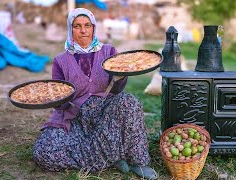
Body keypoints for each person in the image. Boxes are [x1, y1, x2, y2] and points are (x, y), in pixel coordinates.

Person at [32, 8, 158, 180]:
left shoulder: (108, 52)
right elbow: (60, 97)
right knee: (44, 152)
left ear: (93, 28)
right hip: (77, 117)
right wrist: (53, 99)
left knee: (129, 102)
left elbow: (116, 90)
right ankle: (112, 155)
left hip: (106, 112)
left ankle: (138, 161)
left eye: (87, 25)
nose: (83, 30)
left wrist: (120, 78)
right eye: (77, 26)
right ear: (71, 29)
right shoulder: (61, 61)